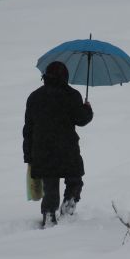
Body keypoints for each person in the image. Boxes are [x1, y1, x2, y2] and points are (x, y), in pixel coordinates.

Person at [23, 61, 93, 228]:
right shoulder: (72, 95)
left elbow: (28, 129)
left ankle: (49, 214)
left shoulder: (34, 97)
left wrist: (28, 156)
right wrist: (87, 109)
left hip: (42, 151)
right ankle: (69, 204)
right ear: (65, 76)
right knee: (75, 179)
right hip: (67, 149)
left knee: (50, 185)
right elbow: (81, 119)